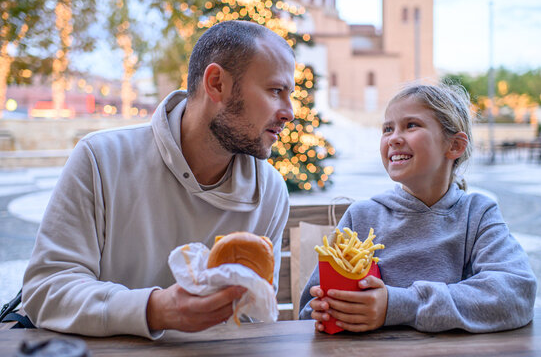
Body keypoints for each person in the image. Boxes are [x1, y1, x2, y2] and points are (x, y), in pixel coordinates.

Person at [22, 20, 296, 338]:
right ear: (217, 83)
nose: (289, 112)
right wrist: (155, 309)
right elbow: (46, 289)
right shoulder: (101, 158)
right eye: (276, 91)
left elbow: (254, 318)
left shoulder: (271, 191)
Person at [299, 83, 537, 333]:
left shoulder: (477, 215)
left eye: (411, 125)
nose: (393, 138)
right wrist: (327, 311)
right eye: (387, 129)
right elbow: (307, 314)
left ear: (455, 146)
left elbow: (516, 291)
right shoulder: (362, 217)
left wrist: (398, 305)